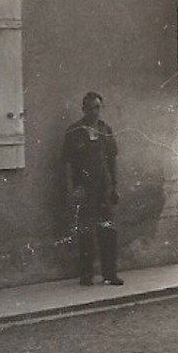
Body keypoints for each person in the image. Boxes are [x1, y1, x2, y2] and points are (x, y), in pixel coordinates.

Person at [64, 91, 122, 286]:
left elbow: (112, 160)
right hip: (85, 189)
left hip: (104, 189)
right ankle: (86, 275)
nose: (94, 112)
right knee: (86, 232)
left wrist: (114, 186)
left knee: (108, 231)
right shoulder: (74, 132)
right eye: (90, 108)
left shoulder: (106, 130)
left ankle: (109, 274)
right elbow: (67, 163)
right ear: (83, 109)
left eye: (97, 107)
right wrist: (74, 189)